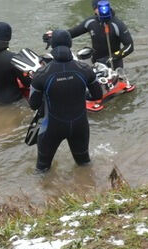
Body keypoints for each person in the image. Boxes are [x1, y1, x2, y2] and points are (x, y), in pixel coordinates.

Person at [28, 30, 102, 173]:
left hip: (51, 127)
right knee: (84, 165)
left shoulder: (41, 74)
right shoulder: (85, 69)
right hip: (79, 126)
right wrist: (79, 93)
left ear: (52, 45)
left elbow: (33, 105)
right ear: (70, 44)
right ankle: (89, 185)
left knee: (42, 170)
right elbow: (97, 95)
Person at [61, 0, 134, 69]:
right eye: (98, 8)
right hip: (96, 63)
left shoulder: (117, 24)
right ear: (94, 10)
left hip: (114, 64)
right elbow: (71, 33)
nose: (102, 10)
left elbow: (129, 46)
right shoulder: (90, 22)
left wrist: (112, 57)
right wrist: (55, 35)